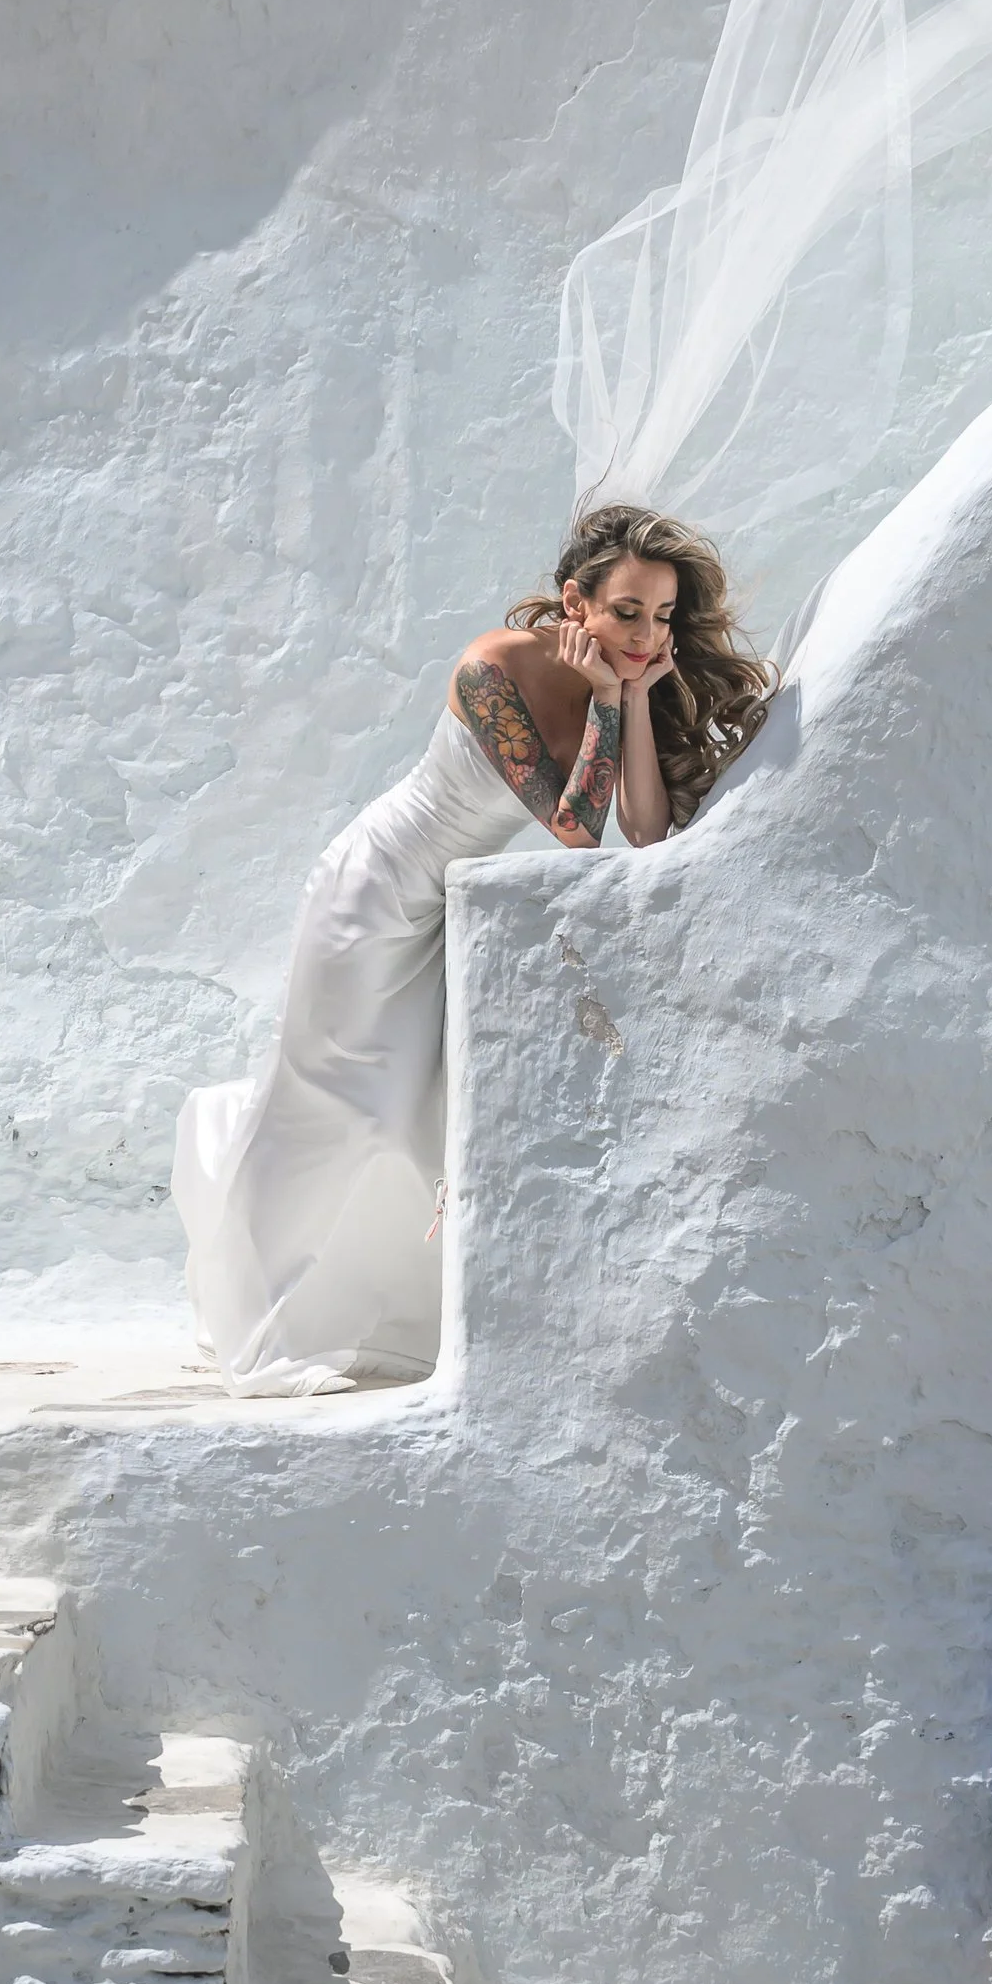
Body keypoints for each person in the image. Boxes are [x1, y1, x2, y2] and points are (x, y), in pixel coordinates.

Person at [173, 504, 772, 1394]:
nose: (647, 634)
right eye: (626, 613)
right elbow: (576, 828)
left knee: (403, 1115)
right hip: (372, 892)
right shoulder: (491, 669)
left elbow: (643, 834)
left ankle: (331, 1310)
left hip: (443, 912)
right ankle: (259, 1341)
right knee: (328, 1106)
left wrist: (637, 698)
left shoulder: (630, 681)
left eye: (663, 618)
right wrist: (609, 699)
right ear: (576, 602)